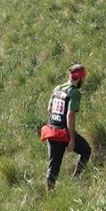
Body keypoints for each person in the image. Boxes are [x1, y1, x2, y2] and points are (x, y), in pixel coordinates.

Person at [39, 64, 92, 192]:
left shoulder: (57, 88)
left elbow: (49, 109)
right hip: (64, 133)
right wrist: (72, 139)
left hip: (52, 131)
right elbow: (70, 115)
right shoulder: (74, 93)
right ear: (81, 79)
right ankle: (76, 178)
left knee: (53, 166)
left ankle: (50, 194)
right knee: (86, 151)